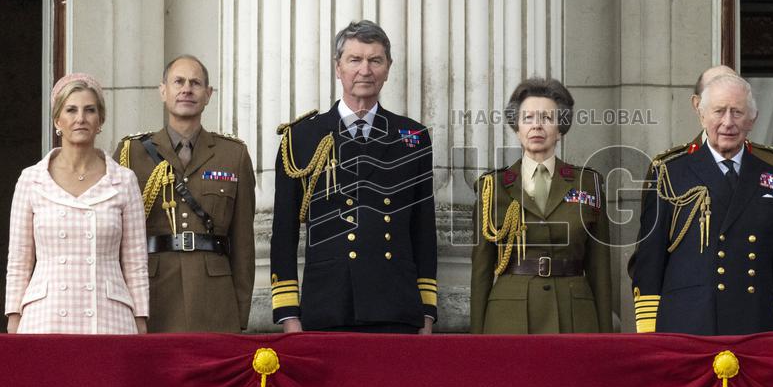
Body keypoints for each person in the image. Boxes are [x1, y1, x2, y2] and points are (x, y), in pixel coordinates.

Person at [270, 20, 437, 333]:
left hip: (395, 305)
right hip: (328, 303)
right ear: (338, 68)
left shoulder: (412, 135)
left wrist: (427, 311)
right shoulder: (301, 138)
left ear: (388, 68)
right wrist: (289, 314)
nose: (365, 70)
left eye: (375, 60)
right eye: (355, 59)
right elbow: (284, 231)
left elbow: (423, 228)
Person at [630, 74, 773, 334]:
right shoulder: (669, 174)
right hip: (687, 324)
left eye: (737, 112)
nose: (728, 123)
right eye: (719, 111)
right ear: (702, 116)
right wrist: (649, 331)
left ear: (752, 119)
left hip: (754, 323)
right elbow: (649, 260)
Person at [113, 56, 256, 332]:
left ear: (208, 94)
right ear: (163, 90)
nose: (186, 89)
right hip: (154, 295)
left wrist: (239, 312)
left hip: (214, 299)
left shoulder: (233, 154)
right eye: (178, 81)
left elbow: (243, 244)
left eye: (196, 83)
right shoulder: (131, 153)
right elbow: (118, 239)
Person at [5, 74, 149, 334]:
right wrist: (14, 319)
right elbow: (19, 261)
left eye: (89, 110)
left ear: (100, 120)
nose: (80, 118)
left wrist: (140, 321)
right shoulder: (31, 179)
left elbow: (135, 263)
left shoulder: (124, 181)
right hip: (44, 317)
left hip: (109, 317)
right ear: (57, 120)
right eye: (71, 110)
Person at [470, 79, 612, 334]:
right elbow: (481, 270)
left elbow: (600, 268)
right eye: (528, 118)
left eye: (547, 117)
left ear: (560, 129)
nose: (537, 125)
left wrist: (605, 335)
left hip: (575, 315)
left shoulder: (588, 184)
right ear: (517, 128)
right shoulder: (492, 187)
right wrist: (476, 338)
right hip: (509, 317)